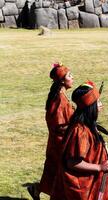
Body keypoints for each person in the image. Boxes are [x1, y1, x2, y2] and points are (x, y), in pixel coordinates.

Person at [50, 80, 108, 200]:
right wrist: (99, 167)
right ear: (90, 106)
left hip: (91, 184)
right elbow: (73, 162)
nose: (101, 104)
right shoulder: (81, 131)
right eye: (97, 101)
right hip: (82, 190)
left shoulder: (89, 125)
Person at [27, 62, 74, 200]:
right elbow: (59, 127)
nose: (73, 78)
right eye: (70, 75)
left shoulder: (62, 96)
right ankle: (38, 189)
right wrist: (77, 125)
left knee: (54, 173)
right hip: (59, 144)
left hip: (60, 143)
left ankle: (36, 189)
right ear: (62, 80)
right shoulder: (59, 99)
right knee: (58, 173)